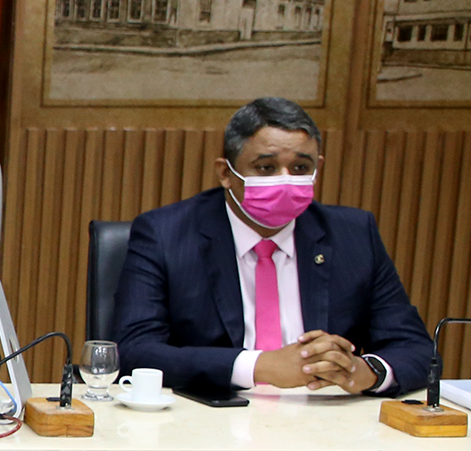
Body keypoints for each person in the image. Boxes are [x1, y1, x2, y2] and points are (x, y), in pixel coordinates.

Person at [113, 97, 433, 396]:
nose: (285, 180)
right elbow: (134, 351)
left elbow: (416, 349)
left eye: (300, 168)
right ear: (225, 173)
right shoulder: (166, 234)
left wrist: (364, 372)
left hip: (323, 416)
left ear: (317, 167)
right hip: (212, 415)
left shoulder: (353, 234)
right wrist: (260, 366)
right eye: (266, 168)